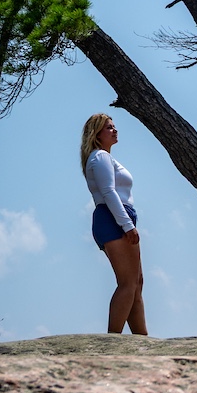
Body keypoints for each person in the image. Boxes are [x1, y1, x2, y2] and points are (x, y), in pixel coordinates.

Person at [81, 113, 147, 335]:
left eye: (114, 126)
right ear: (97, 134)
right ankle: (112, 341)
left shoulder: (104, 157)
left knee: (136, 283)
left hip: (117, 216)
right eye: (109, 127)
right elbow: (109, 192)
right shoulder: (100, 157)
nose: (115, 130)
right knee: (128, 283)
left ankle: (142, 339)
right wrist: (127, 225)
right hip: (113, 217)